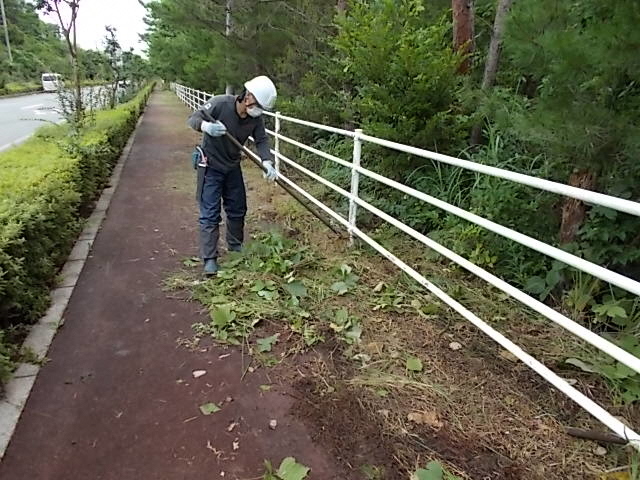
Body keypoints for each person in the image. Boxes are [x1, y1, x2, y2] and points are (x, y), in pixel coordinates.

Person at [187, 75, 278, 275]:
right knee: (210, 213)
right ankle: (210, 259)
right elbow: (194, 118)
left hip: (232, 165)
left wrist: (267, 161)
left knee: (238, 208)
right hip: (210, 165)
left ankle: (235, 246)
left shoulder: (255, 119)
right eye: (259, 106)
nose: (259, 111)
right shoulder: (220, 104)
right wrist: (207, 127)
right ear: (248, 97)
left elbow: (261, 140)